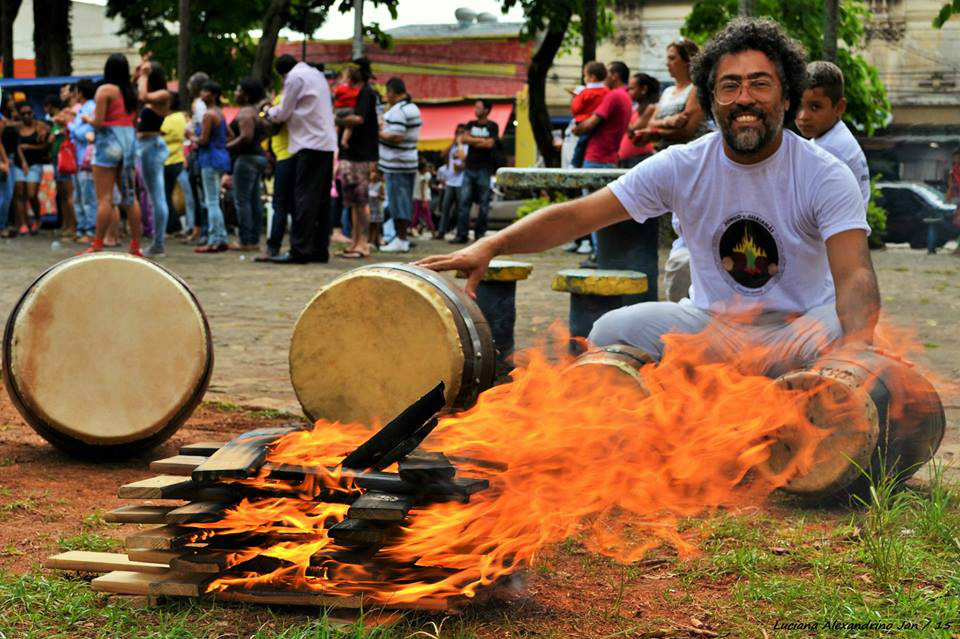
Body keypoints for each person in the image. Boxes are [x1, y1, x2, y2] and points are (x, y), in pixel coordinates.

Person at [418, 18, 880, 378]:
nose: (744, 98)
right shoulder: (683, 165)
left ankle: (803, 392)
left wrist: (857, 351)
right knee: (610, 330)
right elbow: (577, 217)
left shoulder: (824, 174)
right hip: (712, 330)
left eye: (760, 84)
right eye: (729, 86)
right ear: (712, 100)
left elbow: (855, 272)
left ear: (786, 97)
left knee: (848, 327)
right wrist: (491, 245)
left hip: (796, 333)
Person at [263, 54, 337, 264]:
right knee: (321, 200)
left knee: (304, 198)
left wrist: (268, 112)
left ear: (281, 73)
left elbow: (283, 112)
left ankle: (300, 250)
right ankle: (320, 249)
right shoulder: (316, 74)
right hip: (325, 143)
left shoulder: (294, 78)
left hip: (309, 143)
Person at [85, 53, 143, 256]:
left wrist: (86, 118)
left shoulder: (105, 90)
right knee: (130, 198)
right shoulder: (131, 93)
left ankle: (98, 243)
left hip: (108, 144)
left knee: (104, 198)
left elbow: (99, 122)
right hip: (128, 144)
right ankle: (136, 245)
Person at [795, 61, 870, 212]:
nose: (803, 116)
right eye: (799, 106)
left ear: (839, 107)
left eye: (815, 107)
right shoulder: (831, 137)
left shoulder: (830, 150)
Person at [334, 56, 380, 258]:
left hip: (361, 154)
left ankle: (363, 243)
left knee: (360, 201)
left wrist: (334, 117)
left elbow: (359, 119)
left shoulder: (367, 94)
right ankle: (355, 242)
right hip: (352, 152)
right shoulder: (359, 93)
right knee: (353, 201)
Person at [378, 77, 421, 253]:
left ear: (392, 92)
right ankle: (401, 238)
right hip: (407, 161)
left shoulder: (399, 110)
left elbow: (397, 135)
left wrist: (378, 133)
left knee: (398, 202)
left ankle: (401, 238)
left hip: (397, 163)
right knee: (403, 201)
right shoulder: (412, 107)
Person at [136, 59, 173, 257]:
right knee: (153, 196)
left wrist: (143, 75)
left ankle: (158, 243)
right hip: (146, 146)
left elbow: (142, 96)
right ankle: (157, 242)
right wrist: (139, 75)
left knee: (157, 197)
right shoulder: (155, 95)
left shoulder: (162, 94)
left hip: (152, 146)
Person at [226, 76, 267, 251]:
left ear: (246, 95)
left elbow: (246, 137)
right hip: (257, 158)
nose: (235, 93)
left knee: (242, 200)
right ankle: (253, 239)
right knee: (253, 200)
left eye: (238, 90)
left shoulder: (245, 114)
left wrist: (225, 147)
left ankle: (246, 240)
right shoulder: (255, 113)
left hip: (246, 159)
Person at [451, 99, 499, 244]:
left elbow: (490, 144)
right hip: (469, 169)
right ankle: (462, 234)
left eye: (478, 107)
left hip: (484, 169)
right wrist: (481, 141)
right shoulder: (470, 124)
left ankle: (480, 234)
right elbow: (463, 138)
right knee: (464, 203)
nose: (475, 109)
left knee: (484, 204)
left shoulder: (493, 126)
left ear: (486, 110)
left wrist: (472, 140)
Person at [192, 81, 231, 253]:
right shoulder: (220, 114)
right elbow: (230, 134)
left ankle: (215, 238)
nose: (202, 94)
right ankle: (221, 237)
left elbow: (203, 140)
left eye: (206, 91)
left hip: (209, 158)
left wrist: (191, 136)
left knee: (211, 201)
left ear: (213, 95)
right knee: (215, 199)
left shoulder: (208, 115)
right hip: (220, 156)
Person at [259, 88, 294, 259]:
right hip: (290, 155)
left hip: (286, 156)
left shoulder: (282, 99)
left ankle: (273, 247)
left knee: (280, 204)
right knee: (291, 204)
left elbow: (273, 127)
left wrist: (266, 112)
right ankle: (292, 246)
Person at [160, 91, 196, 237]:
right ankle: (176, 225)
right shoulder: (181, 117)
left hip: (169, 161)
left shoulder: (170, 119)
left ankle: (172, 226)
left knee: (166, 195)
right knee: (170, 195)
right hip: (177, 160)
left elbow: (158, 133)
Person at [13, 101, 49, 236]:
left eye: (29, 112)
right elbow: (17, 146)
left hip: (35, 164)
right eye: (24, 114)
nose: (27, 116)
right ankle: (23, 223)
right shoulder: (17, 127)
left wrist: (29, 147)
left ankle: (38, 218)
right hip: (19, 164)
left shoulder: (40, 126)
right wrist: (22, 161)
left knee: (32, 194)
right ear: (20, 115)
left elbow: (45, 146)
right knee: (20, 193)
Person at [44, 94, 77, 238]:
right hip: (58, 159)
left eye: (46, 106)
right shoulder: (55, 121)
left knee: (69, 195)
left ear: (51, 106)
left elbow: (58, 136)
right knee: (62, 194)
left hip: (66, 159)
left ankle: (73, 227)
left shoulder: (64, 117)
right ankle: (66, 225)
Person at [70, 80, 97, 242]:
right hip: (77, 160)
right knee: (78, 197)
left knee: (88, 197)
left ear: (81, 92)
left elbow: (83, 133)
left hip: (86, 160)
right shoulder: (82, 110)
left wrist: (71, 127)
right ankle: (81, 229)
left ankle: (90, 230)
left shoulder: (91, 108)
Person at [569, 61, 610, 168]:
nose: (584, 78)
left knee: (580, 145)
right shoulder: (608, 92)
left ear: (592, 77)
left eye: (585, 75)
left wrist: (574, 99)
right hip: (600, 123)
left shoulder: (585, 92)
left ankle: (574, 164)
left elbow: (575, 109)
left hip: (583, 122)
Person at [618, 73, 660, 169]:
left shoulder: (651, 108)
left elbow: (633, 131)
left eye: (632, 89)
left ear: (644, 89)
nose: (629, 92)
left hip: (639, 157)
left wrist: (621, 113)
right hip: (628, 159)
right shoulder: (636, 108)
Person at [437, 123, 467, 239]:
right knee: (445, 208)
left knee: (461, 209)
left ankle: (459, 232)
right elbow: (442, 155)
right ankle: (441, 231)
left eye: (461, 132)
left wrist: (461, 167)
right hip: (450, 182)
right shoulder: (453, 147)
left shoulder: (466, 146)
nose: (458, 135)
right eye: (457, 132)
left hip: (461, 182)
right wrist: (453, 143)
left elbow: (465, 161)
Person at [333, 65, 362, 150]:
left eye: (343, 77)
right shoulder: (356, 90)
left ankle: (334, 139)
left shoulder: (341, 88)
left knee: (337, 125)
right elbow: (357, 96)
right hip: (349, 110)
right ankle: (344, 141)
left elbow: (335, 94)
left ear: (348, 79)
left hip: (338, 110)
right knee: (349, 127)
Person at [412, 158, 435, 235]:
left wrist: (423, 200)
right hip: (422, 198)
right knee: (421, 215)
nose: (427, 169)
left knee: (422, 215)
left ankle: (432, 230)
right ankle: (414, 227)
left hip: (422, 198)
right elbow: (422, 189)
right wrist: (423, 200)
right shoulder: (421, 175)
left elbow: (423, 188)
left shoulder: (424, 175)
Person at [945, 148, 960, 255]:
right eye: (955, 156)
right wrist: (949, 195)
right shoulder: (954, 169)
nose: (956, 158)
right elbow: (951, 186)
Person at [368, 165, 384, 247]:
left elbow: (383, 197)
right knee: (369, 225)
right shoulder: (368, 184)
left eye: (375, 172)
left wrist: (378, 196)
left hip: (377, 209)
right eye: (371, 172)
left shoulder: (380, 185)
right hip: (369, 209)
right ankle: (369, 240)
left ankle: (374, 241)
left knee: (375, 226)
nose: (373, 174)